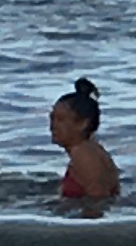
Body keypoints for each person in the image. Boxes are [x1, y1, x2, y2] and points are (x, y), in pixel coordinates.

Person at [47, 77, 120, 209]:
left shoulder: (82, 154)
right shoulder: (91, 148)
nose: (53, 126)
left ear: (83, 123)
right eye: (52, 118)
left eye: (61, 120)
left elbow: (98, 200)